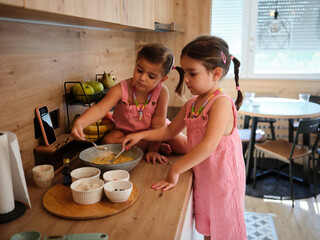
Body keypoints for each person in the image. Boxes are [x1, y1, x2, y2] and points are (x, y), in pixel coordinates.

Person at [122, 35, 247, 240]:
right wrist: (139, 135)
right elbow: (169, 131)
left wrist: (175, 169)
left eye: (192, 73)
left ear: (215, 73)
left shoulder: (221, 103)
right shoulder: (192, 104)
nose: (185, 79)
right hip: (204, 176)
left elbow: (208, 146)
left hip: (224, 179)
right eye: (184, 72)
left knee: (224, 230)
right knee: (209, 229)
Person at [71, 42, 187, 164]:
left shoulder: (162, 92)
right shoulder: (120, 88)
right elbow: (99, 109)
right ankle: (151, 146)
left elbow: (159, 126)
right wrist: (80, 122)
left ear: (162, 79)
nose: (142, 78)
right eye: (139, 70)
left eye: (151, 76)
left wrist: (153, 150)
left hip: (152, 132)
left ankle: (152, 145)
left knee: (183, 146)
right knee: (109, 141)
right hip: (125, 132)